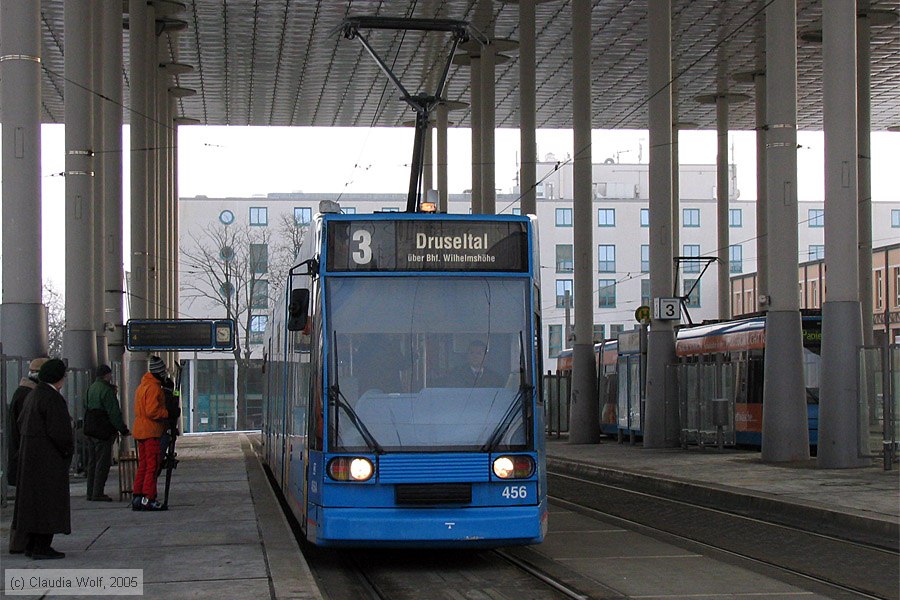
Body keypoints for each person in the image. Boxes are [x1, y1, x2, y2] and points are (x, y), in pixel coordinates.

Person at [11, 359, 74, 560]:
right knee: (49, 503)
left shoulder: (33, 395)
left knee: (33, 504)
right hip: (48, 461)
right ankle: (42, 546)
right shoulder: (52, 398)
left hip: (31, 459)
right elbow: (60, 432)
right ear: (58, 378)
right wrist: (66, 452)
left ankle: (32, 545)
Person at [6, 357, 48, 555]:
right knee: (26, 505)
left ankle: (20, 542)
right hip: (25, 457)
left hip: (20, 455)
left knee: (24, 504)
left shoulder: (21, 393)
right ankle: (20, 542)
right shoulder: (28, 396)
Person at [83, 365, 129, 501]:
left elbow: (86, 406)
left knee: (92, 462)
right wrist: (123, 429)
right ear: (106, 375)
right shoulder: (107, 391)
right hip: (103, 431)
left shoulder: (90, 388)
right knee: (102, 463)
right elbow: (114, 413)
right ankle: (98, 492)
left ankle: (90, 492)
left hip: (90, 430)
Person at [131, 356, 169, 511]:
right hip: (151, 431)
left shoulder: (142, 386)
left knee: (143, 465)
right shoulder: (154, 388)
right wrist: (166, 413)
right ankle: (149, 497)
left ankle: (137, 496)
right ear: (159, 372)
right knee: (152, 466)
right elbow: (152, 411)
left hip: (140, 431)